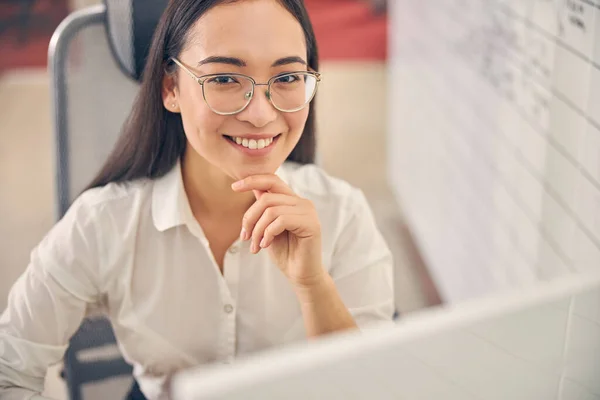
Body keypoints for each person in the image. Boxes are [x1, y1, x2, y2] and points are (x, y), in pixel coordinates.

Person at [0, 0, 395, 399]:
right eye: (225, 80)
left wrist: (313, 285)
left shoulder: (343, 214)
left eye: (287, 77)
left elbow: (378, 387)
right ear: (171, 88)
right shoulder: (104, 224)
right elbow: (9, 369)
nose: (261, 114)